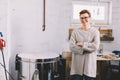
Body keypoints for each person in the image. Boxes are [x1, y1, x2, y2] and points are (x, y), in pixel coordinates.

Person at [69, 9, 100, 80]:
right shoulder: (75, 32)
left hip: (89, 67)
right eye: (82, 18)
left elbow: (95, 47)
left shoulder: (95, 32)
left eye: (86, 17)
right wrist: (89, 47)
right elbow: (71, 47)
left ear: (90, 18)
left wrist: (82, 44)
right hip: (77, 67)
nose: (84, 20)